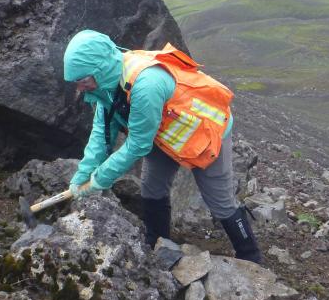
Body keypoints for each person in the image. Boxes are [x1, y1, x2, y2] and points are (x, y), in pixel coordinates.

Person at [62, 29, 261, 263]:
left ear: (100, 68)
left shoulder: (145, 84)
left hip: (205, 132)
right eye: (77, 82)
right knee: (152, 188)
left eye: (83, 81)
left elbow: (137, 146)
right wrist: (81, 177)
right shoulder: (105, 87)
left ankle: (251, 257)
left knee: (220, 202)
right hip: (163, 133)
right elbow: (101, 135)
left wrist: (98, 181)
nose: (80, 89)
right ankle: (158, 244)